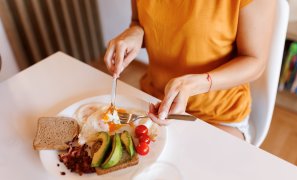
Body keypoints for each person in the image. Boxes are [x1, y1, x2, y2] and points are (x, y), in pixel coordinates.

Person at [104, 0, 275, 143]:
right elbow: (138, 21)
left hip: (217, 117)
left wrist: (197, 84)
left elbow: (255, 61)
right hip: (154, 104)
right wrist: (135, 32)